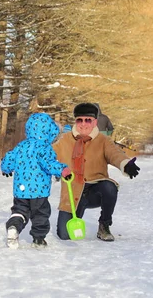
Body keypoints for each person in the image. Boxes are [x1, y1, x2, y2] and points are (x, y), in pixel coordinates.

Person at [52, 103, 140, 241]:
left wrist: (125, 164)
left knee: (109, 187)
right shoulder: (65, 140)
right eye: (80, 120)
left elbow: (115, 154)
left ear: (95, 122)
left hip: (96, 190)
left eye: (88, 120)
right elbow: (48, 154)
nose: (83, 124)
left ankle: (104, 225)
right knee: (64, 235)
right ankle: (75, 213)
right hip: (73, 191)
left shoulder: (102, 140)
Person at [1, 113, 71, 249]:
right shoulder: (45, 148)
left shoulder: (21, 146)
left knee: (20, 211)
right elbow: (49, 164)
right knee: (40, 214)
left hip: (20, 190)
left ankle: (14, 226)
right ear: (49, 131)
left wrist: (6, 168)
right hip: (39, 191)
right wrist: (62, 170)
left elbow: (10, 157)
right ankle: (39, 239)